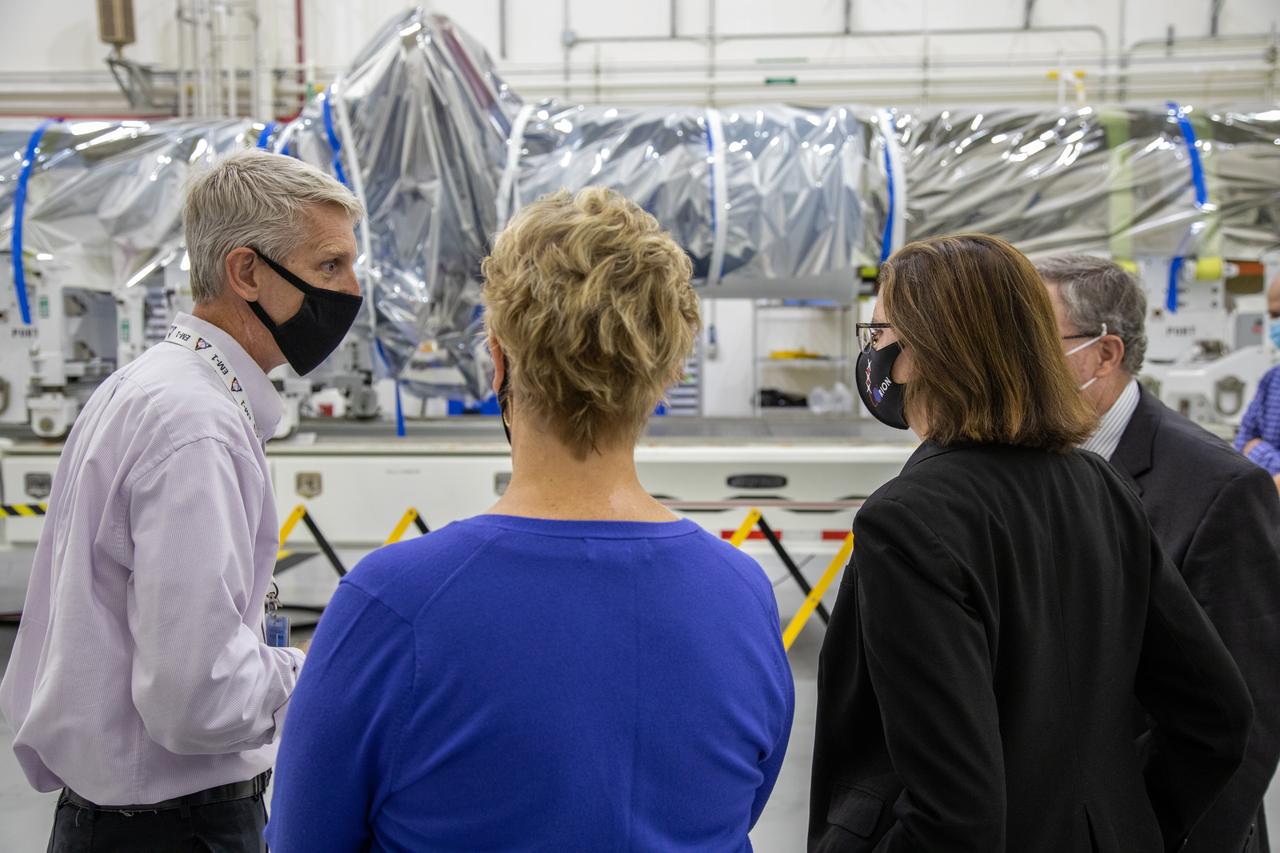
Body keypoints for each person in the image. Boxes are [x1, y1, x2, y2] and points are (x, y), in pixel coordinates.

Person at [265, 187, 794, 852]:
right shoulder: (743, 597)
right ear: (667, 374)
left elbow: (302, 838)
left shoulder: (392, 604)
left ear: (498, 362)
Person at [809, 234, 1253, 853]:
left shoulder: (907, 520)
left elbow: (953, 814)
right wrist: (1132, 825)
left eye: (878, 334)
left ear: (923, 355)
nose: (873, 353)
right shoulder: (1100, 484)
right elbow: (1219, 719)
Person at [0, 149, 365, 852]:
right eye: (328, 267)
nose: (350, 291)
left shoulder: (144, 388)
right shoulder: (195, 424)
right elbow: (196, 698)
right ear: (246, 271)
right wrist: (320, 661)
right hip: (173, 829)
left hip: (110, 820)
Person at [1039, 254, 1280, 853]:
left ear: (1104, 354)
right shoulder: (1032, 463)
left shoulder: (1219, 490)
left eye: (1034, 340)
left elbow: (1246, 717)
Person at [1234, 271, 1280, 486]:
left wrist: (1259, 451)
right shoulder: (1272, 380)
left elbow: (1251, 447)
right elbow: (1243, 442)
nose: (1276, 324)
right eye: (1274, 315)